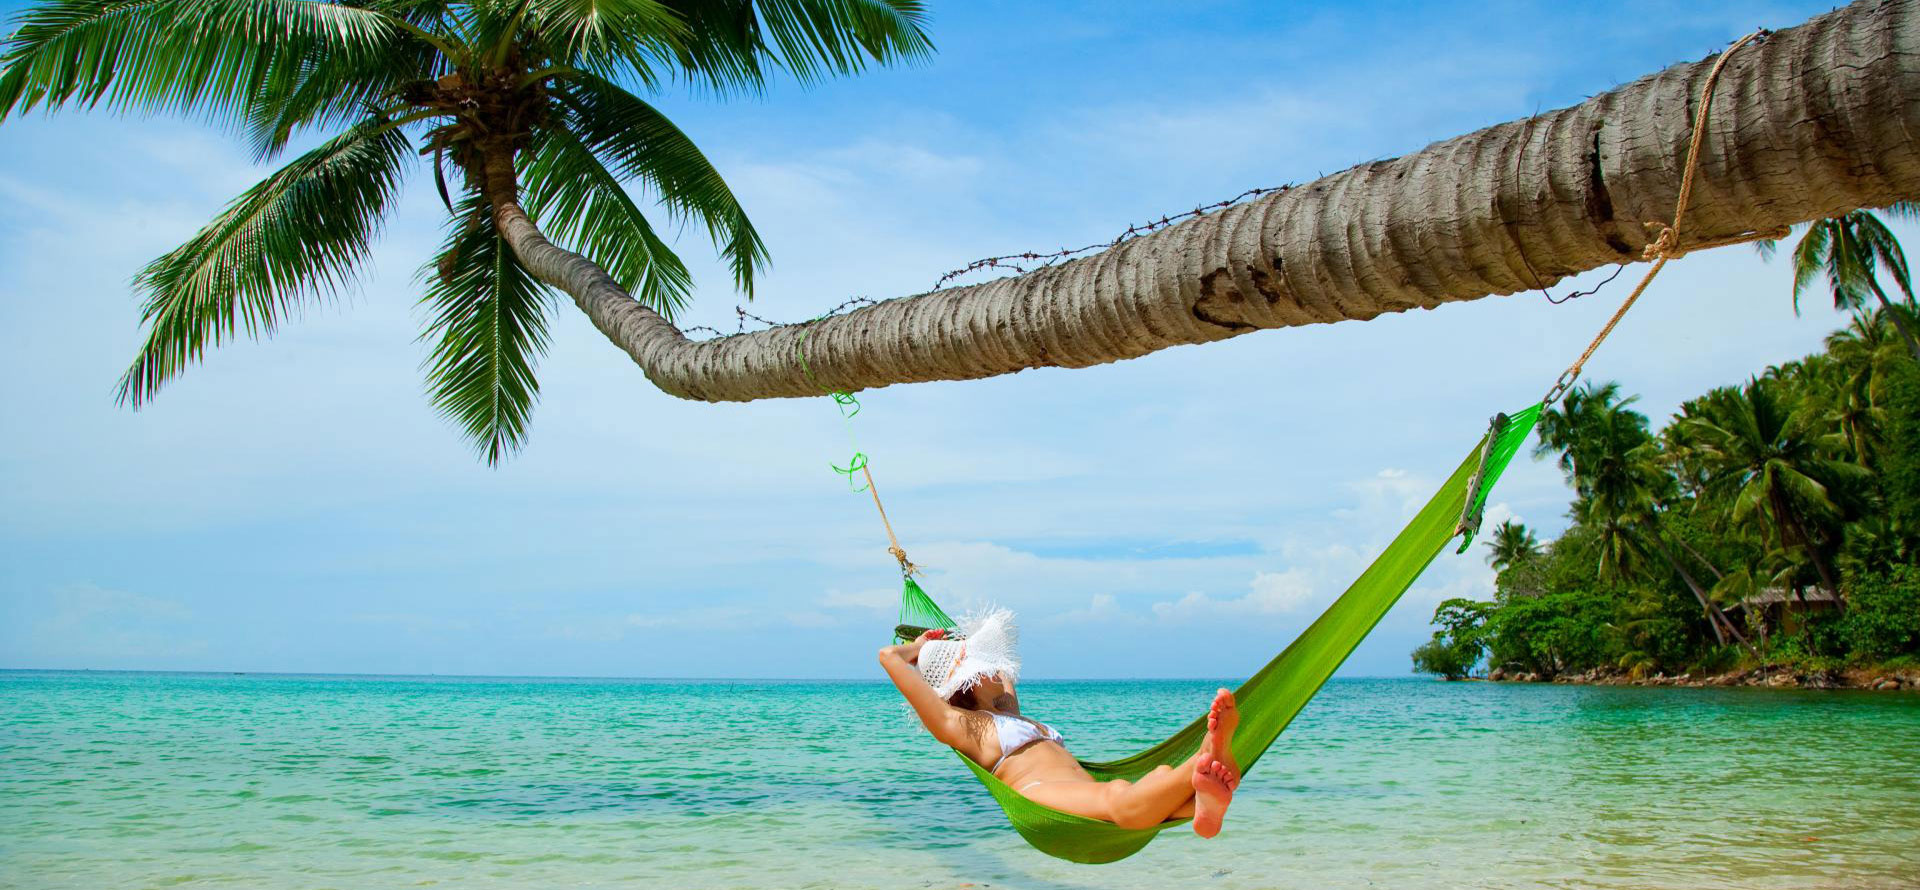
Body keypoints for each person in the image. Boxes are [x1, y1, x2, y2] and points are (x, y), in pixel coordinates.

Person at [877, 607, 1240, 837]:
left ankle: (1204, 802)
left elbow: (1002, 654)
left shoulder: (1008, 710)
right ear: (965, 681)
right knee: (1118, 798)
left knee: (1160, 775)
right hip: (1037, 795)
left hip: (1079, 789)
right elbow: (888, 656)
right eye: (978, 664)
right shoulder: (961, 726)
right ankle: (1205, 757)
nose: (989, 667)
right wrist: (922, 647)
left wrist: (957, 642)